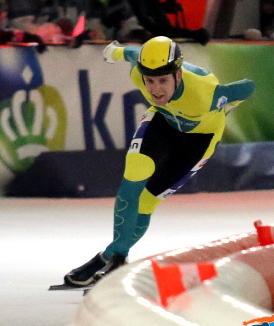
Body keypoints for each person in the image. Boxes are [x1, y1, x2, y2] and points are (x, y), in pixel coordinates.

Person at [61, 36, 255, 287]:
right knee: (130, 187)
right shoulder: (137, 74)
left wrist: (230, 103)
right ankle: (119, 259)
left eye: (163, 80)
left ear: (179, 75)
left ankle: (107, 257)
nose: (155, 89)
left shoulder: (206, 91)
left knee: (147, 201)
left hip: (199, 140)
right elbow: (133, 54)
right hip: (162, 123)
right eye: (149, 81)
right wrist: (115, 51)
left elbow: (247, 86)